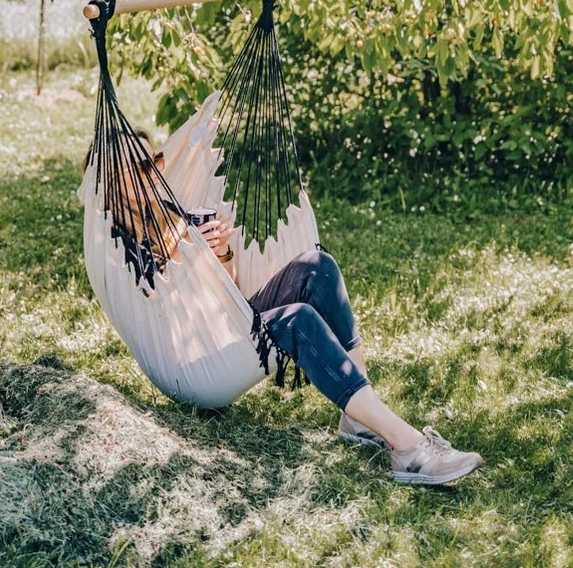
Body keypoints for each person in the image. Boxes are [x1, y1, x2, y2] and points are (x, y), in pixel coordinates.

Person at [99, 133, 483, 486]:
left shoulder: (170, 212)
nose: (156, 173)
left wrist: (221, 253)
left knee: (318, 267)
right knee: (297, 320)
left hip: (225, 326)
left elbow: (227, 291)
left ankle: (358, 419)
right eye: (143, 167)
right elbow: (160, 307)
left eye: (157, 162)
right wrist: (185, 255)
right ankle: (408, 448)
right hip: (194, 362)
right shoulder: (118, 244)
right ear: (115, 179)